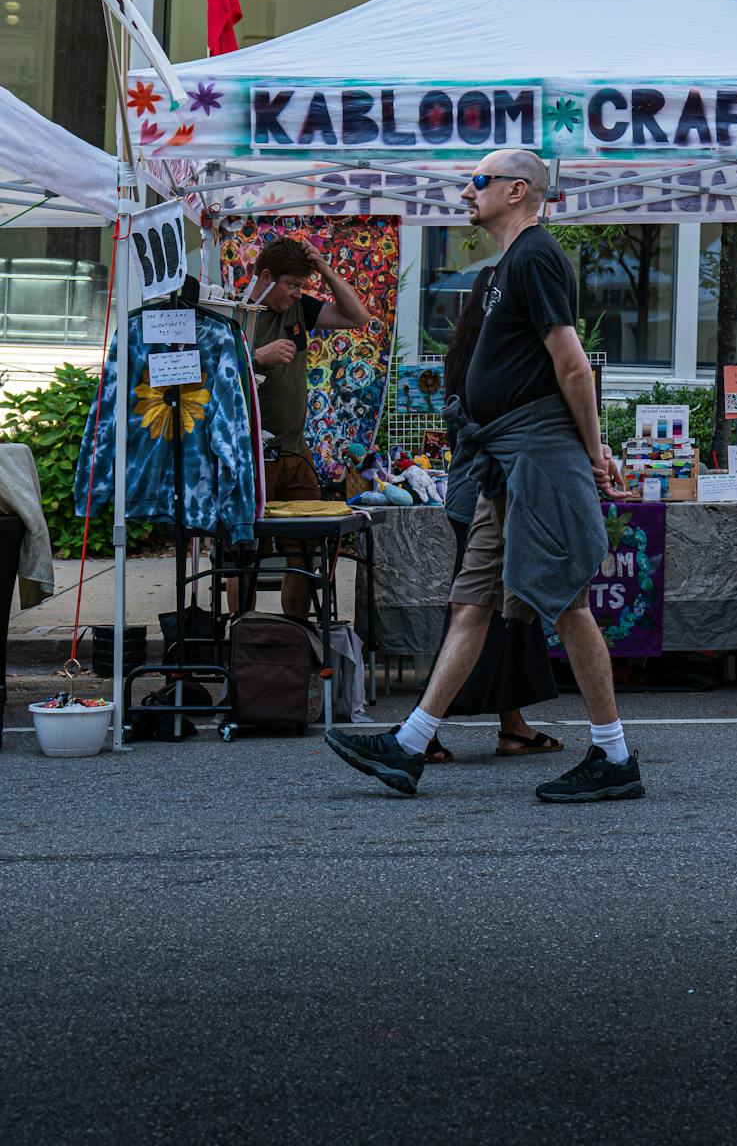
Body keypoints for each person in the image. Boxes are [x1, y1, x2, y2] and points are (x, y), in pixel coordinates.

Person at [326, 148, 644, 804]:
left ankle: (614, 756)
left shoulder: (536, 256)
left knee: (568, 602)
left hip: (539, 453)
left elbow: (573, 366)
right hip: (503, 461)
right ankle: (409, 746)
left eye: (479, 180)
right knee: (473, 601)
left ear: (517, 190)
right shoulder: (507, 266)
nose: (467, 190)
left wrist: (592, 451)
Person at [420, 266, 562, 763]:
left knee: (505, 613)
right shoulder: (500, 360)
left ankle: (512, 724)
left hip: (474, 492)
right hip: (491, 493)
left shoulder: (468, 354)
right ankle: (426, 726)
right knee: (478, 612)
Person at [233, 236, 369, 619]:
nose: (297, 293)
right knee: (244, 552)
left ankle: (295, 634)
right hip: (249, 454)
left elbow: (357, 317)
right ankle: (242, 638)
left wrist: (325, 270)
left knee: (305, 549)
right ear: (266, 277)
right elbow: (210, 376)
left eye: (301, 285)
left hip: (295, 448)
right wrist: (256, 357)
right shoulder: (235, 315)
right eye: (291, 284)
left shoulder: (299, 311)